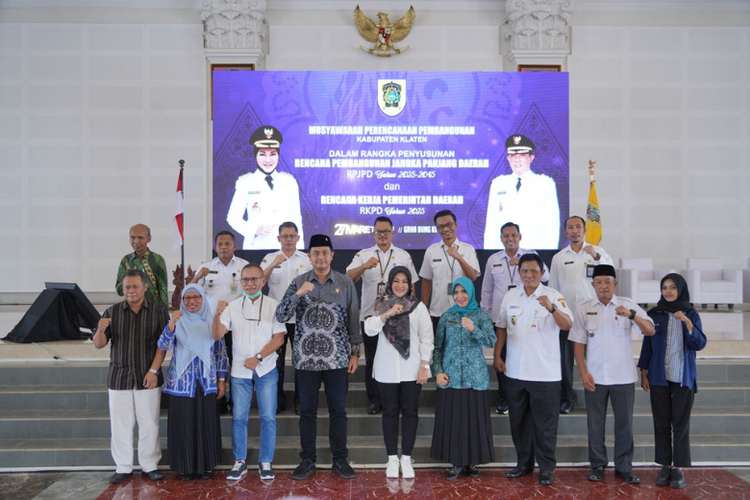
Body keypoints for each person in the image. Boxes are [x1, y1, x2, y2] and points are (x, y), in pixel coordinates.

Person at [276, 234, 362, 480]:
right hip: (306, 361)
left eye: (325, 252)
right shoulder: (299, 282)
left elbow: (353, 320)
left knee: (338, 410)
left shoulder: (345, 283)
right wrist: (298, 294)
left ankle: (340, 459)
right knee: (307, 412)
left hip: (337, 360)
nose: (321, 257)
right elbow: (281, 315)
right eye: (316, 253)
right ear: (310, 256)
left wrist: (354, 354)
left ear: (332, 255)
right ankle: (307, 460)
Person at [569, 265, 655, 484]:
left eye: (607, 281)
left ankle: (624, 467)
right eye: (598, 282)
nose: (603, 286)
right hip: (595, 377)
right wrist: (582, 371)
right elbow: (579, 342)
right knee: (595, 424)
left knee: (624, 424)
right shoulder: (584, 308)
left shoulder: (627, 305)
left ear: (615, 284)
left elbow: (650, 330)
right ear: (593, 285)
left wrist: (632, 315)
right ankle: (597, 465)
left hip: (623, 377)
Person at [495, 254, 573, 486]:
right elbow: (501, 326)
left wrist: (551, 309)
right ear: (519, 272)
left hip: (544, 374)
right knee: (519, 424)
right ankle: (524, 464)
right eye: (524, 271)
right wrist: (498, 354)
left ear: (542, 273)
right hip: (515, 372)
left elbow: (567, 325)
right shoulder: (511, 296)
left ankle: (547, 468)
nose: (528, 275)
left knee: (546, 425)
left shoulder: (553, 296)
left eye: (533, 271)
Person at [93, 269, 170, 484]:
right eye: (127, 287)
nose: (131, 291)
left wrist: (154, 371)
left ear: (145, 287)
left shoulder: (158, 311)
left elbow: (162, 346)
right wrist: (99, 329)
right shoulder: (111, 312)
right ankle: (123, 466)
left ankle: (149, 465)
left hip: (149, 377)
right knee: (120, 425)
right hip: (119, 378)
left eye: (135, 286)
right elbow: (99, 344)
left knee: (149, 424)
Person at [214, 263, 285, 481]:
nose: (250, 283)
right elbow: (217, 335)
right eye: (246, 280)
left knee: (268, 417)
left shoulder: (274, 305)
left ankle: (265, 461)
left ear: (263, 281)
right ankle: (240, 461)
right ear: (240, 282)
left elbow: (279, 338)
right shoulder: (232, 306)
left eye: (255, 279)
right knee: (239, 418)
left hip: (266, 369)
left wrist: (259, 358)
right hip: (240, 372)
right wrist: (217, 314)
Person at [638, 274, 707, 490]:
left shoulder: (691, 314)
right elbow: (647, 345)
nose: (668, 291)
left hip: (683, 377)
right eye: (664, 287)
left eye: (673, 287)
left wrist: (686, 322)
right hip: (659, 375)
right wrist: (643, 371)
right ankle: (665, 465)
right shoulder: (654, 314)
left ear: (681, 290)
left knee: (680, 423)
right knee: (661, 422)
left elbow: (699, 344)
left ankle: (679, 468)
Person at [364, 266, 433, 479]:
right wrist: (385, 315)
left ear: (410, 284)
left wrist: (425, 366)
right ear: (390, 283)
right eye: (396, 280)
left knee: (411, 412)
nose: (400, 285)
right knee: (390, 412)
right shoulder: (380, 304)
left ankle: (407, 458)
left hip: (412, 369)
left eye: (405, 281)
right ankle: (392, 458)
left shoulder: (418, 307)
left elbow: (426, 337)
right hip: (386, 369)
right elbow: (368, 329)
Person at [347, 216, 419, 415]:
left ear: (393, 233)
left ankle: (398, 399)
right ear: (373, 234)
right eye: (378, 231)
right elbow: (348, 279)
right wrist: (363, 267)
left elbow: (411, 287)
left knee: (399, 355)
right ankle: (375, 399)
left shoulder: (403, 255)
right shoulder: (363, 255)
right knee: (372, 359)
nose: (382, 235)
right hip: (371, 318)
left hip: (398, 317)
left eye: (386, 231)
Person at [157, 284, 228, 480]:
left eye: (196, 297)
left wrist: (222, 380)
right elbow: (163, 345)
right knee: (183, 425)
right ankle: (185, 466)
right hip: (181, 383)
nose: (192, 301)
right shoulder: (177, 322)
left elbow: (221, 353)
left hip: (206, 382)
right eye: (187, 298)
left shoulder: (212, 321)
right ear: (182, 301)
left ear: (203, 299)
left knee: (206, 423)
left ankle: (206, 466)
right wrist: (171, 325)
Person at [430, 277, 496, 481]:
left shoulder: (480, 315)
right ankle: (456, 463)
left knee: (474, 420)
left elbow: (491, 340)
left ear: (471, 293)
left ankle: (472, 461)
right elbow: (438, 347)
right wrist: (438, 371)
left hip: (475, 378)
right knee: (454, 421)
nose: (460, 296)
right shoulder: (446, 317)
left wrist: (473, 329)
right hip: (451, 378)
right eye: (456, 293)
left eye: (463, 292)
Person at [480, 222, 548, 415]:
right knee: (501, 357)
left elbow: (546, 275)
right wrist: (486, 316)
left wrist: (523, 265)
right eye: (506, 236)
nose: (510, 239)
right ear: (501, 238)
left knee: (521, 355)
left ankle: (523, 395)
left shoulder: (530, 256)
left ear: (520, 236)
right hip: (500, 318)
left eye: (513, 235)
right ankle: (504, 397)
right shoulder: (493, 259)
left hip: (526, 317)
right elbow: (487, 290)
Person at [548, 215, 613, 414]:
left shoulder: (598, 253)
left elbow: (610, 275)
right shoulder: (559, 258)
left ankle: (596, 397)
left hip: (592, 317)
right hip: (567, 320)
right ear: (565, 232)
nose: (574, 230)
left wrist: (596, 257)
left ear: (585, 230)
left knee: (594, 359)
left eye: (578, 227)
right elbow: (553, 289)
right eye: (570, 227)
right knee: (565, 362)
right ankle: (567, 398)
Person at [191, 230, 249, 412]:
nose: (224, 247)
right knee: (216, 363)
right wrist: (198, 276)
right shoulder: (206, 266)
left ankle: (237, 402)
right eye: (220, 244)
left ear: (235, 246)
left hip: (238, 325)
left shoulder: (244, 266)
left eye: (227, 244)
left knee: (237, 362)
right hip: (213, 325)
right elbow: (191, 292)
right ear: (215, 247)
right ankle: (219, 402)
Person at [261, 222, 312, 415]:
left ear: (298, 238)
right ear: (278, 238)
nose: (288, 239)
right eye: (285, 236)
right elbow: (259, 283)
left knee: (301, 362)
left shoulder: (307, 260)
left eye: (292, 236)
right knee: (276, 362)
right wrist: (273, 265)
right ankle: (277, 401)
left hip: (301, 318)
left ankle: (300, 402)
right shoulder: (269, 258)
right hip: (277, 319)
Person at [227, 125, 304, 250]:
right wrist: (254, 230)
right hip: (257, 246)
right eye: (262, 154)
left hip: (285, 249)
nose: (268, 160)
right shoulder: (245, 183)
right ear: (255, 156)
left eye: (272, 154)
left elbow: (296, 218)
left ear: (278, 156)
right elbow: (232, 218)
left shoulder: (289, 182)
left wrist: (300, 250)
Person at [484, 134, 559, 250]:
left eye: (522, 155)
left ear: (531, 158)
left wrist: (549, 253)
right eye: (513, 155)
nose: (517, 159)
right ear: (508, 158)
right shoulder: (498, 184)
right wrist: (489, 254)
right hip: (505, 252)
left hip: (535, 251)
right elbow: (491, 223)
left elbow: (552, 224)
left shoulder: (545, 184)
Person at [420, 210, 481, 332]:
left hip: (463, 311)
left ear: (456, 225)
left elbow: (473, 276)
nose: (446, 229)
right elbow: (426, 280)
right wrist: (424, 306)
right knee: (439, 349)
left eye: (449, 224)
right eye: (441, 226)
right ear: (437, 230)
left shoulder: (468, 249)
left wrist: (459, 257)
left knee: (461, 349)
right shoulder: (431, 251)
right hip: (438, 311)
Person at [115, 224, 169, 309]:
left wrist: (163, 313)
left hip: (152, 310)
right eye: (132, 238)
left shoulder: (157, 260)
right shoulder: (126, 260)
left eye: (140, 238)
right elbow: (119, 291)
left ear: (149, 238)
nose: (136, 241)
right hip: (129, 310)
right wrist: (129, 277)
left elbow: (163, 289)